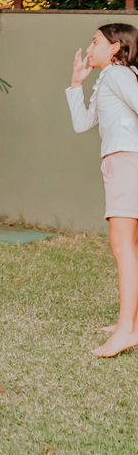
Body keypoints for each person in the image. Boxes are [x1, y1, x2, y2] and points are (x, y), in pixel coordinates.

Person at [66, 23, 138, 357]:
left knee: (122, 244)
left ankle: (126, 331)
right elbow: (82, 123)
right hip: (120, 161)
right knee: (129, 245)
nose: (89, 47)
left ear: (114, 47)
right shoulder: (108, 78)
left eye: (95, 41)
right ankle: (131, 324)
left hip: (127, 161)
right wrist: (75, 85)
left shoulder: (118, 75)